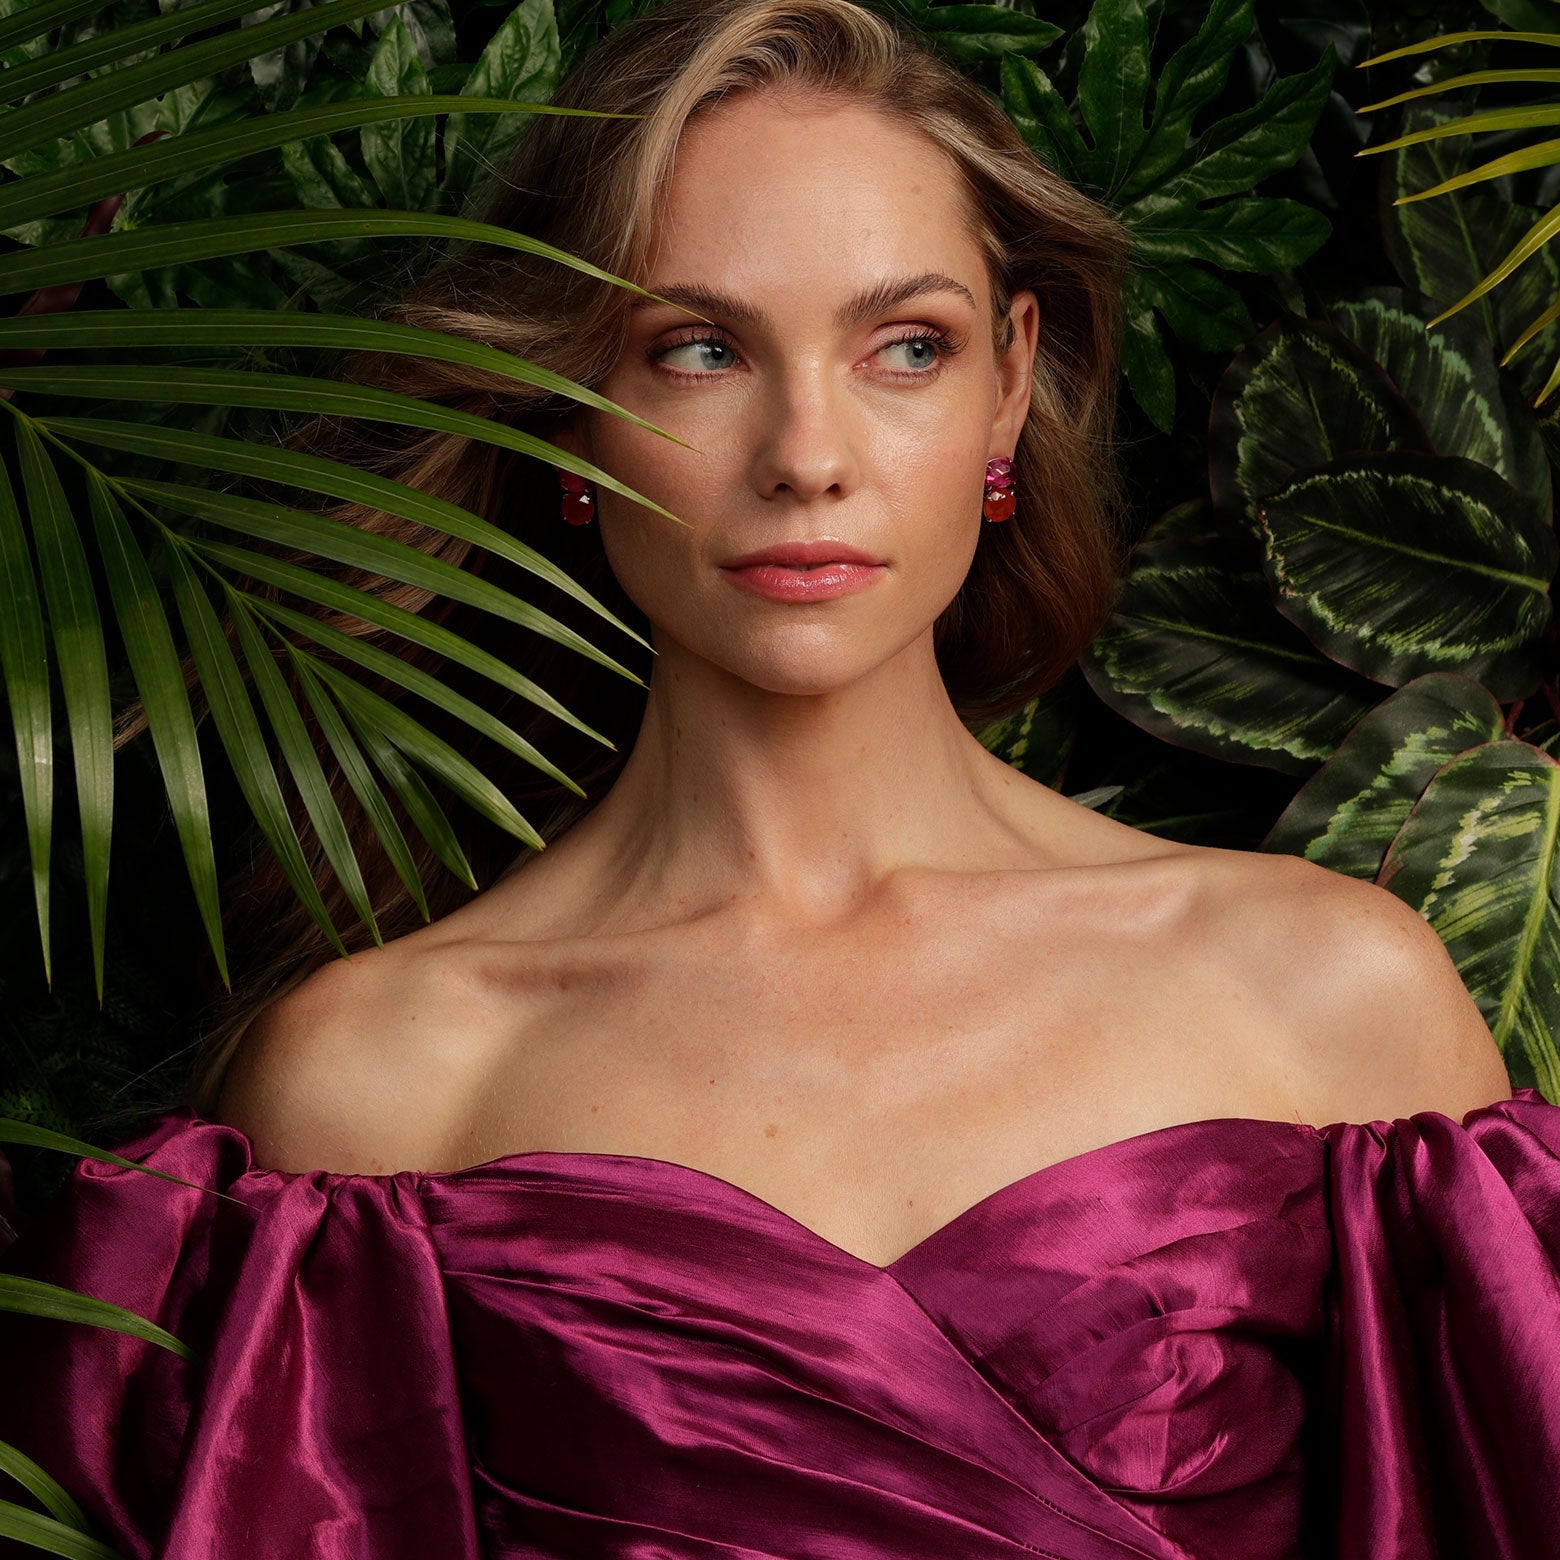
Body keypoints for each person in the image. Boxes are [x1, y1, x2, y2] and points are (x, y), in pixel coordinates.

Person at [1, 1, 1556, 1556]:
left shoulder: (1320, 992)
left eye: (905, 348)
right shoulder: (389, 1081)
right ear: (566, 407)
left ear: (1009, 384)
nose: (807, 452)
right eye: (698, 349)